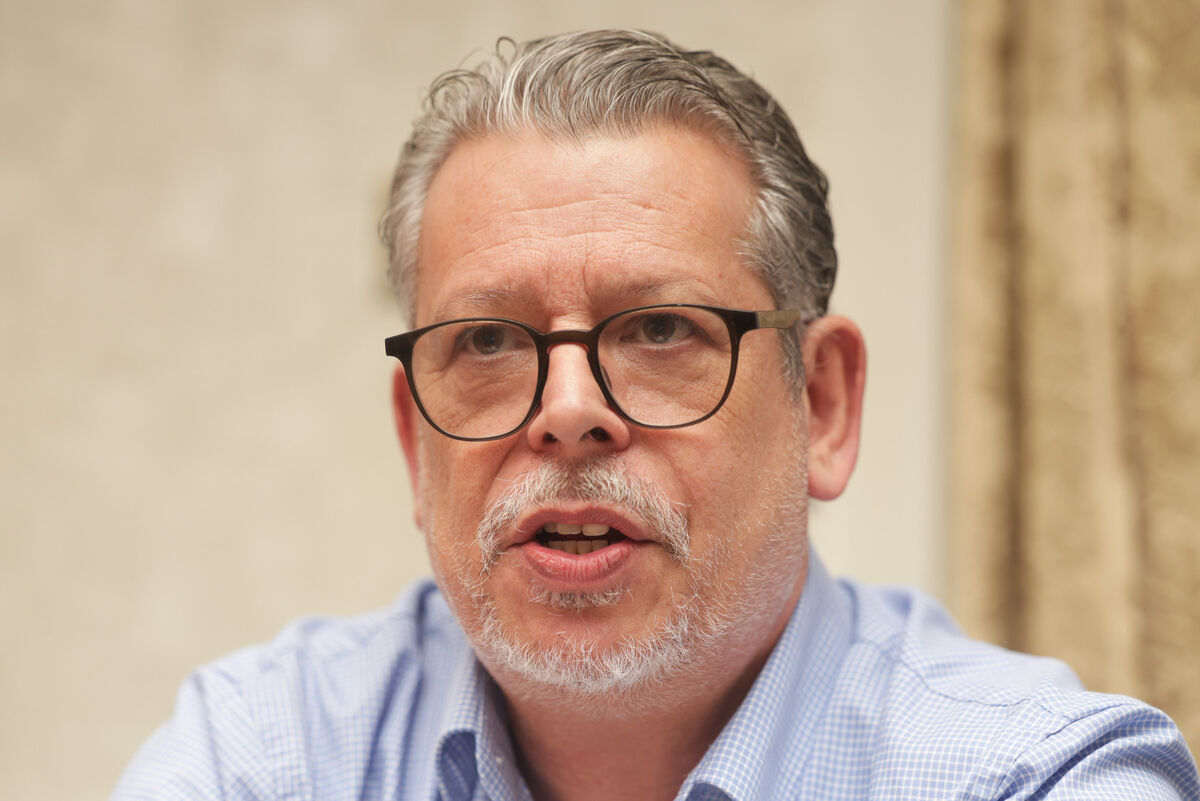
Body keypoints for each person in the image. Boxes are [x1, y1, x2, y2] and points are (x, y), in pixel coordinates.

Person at [113, 29, 1199, 801]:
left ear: (822, 406)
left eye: (662, 330)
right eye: (487, 343)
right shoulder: (265, 753)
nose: (567, 412)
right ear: (414, 438)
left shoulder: (1036, 777)